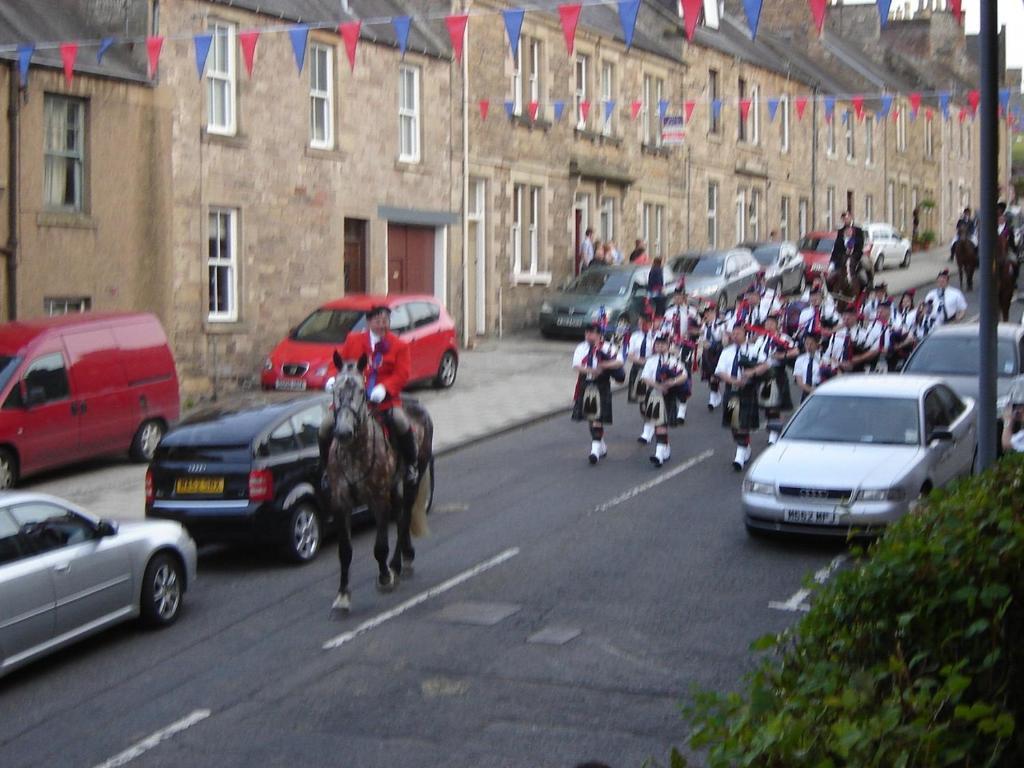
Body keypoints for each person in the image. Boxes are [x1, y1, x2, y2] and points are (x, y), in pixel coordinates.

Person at [318, 304, 419, 482]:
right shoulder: (353, 340)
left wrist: (385, 388)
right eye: (378, 321)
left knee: (401, 421)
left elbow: (402, 373)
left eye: (386, 321)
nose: (383, 325)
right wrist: (334, 379)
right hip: (352, 401)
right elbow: (338, 363)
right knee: (325, 426)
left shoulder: (399, 346)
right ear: (369, 321)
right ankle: (325, 468)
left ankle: (411, 464)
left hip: (383, 401)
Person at [715, 324, 770, 471]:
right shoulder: (726, 352)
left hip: (748, 390)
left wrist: (752, 372)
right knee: (734, 424)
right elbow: (720, 371)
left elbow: (765, 364)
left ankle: (739, 456)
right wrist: (733, 381)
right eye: (733, 333)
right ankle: (745, 446)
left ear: (745, 334)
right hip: (732, 389)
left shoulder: (753, 349)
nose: (735, 336)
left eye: (738, 333)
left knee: (743, 423)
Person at [571, 322, 624, 464]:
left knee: (597, 419)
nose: (588, 335)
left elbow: (619, 362)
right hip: (586, 384)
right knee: (590, 417)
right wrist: (592, 371)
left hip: (601, 384)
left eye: (592, 332)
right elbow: (576, 366)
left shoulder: (608, 347)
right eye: (587, 332)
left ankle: (594, 451)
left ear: (599, 335)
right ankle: (600, 445)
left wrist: (604, 365)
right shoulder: (581, 348)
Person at [641, 334, 689, 467]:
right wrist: (659, 386)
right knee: (658, 424)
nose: (660, 347)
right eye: (657, 345)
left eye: (662, 344)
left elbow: (684, 376)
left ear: (668, 346)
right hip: (654, 395)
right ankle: (663, 449)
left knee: (662, 425)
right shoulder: (651, 361)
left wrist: (671, 382)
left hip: (669, 395)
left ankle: (659, 453)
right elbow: (645, 377)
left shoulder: (674, 361)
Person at [752, 312, 798, 444]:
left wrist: (780, 356)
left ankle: (774, 434)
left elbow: (795, 351)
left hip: (776, 373)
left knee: (775, 407)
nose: (768, 325)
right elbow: (756, 353)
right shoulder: (761, 339)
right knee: (767, 406)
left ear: (777, 325)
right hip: (762, 373)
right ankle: (774, 429)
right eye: (767, 323)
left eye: (772, 323)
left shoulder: (783, 338)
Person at [626, 313, 657, 443]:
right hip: (638, 369)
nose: (640, 325)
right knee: (642, 401)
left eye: (643, 322)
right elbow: (630, 355)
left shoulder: (657, 336)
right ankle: (649, 425)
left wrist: (649, 362)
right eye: (639, 322)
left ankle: (648, 430)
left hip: (652, 371)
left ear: (650, 323)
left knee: (650, 399)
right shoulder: (635, 336)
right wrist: (640, 360)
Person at [698, 304, 725, 411]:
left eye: (709, 312)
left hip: (718, 352)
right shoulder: (705, 325)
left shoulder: (721, 324)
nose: (707, 314)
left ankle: (714, 397)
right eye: (706, 312)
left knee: (716, 374)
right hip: (707, 352)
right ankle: (715, 394)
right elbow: (702, 337)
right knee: (710, 375)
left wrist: (714, 345)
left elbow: (723, 339)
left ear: (714, 312)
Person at [830, 210, 868, 287]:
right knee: (830, 278)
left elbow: (860, 245)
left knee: (864, 273)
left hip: (856, 258)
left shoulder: (858, 230)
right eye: (843, 219)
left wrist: (854, 256)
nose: (845, 220)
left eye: (846, 218)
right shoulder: (840, 232)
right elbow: (836, 248)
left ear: (850, 217)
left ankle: (868, 287)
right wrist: (832, 262)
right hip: (842, 260)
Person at [793, 331, 825, 402]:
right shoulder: (800, 360)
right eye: (807, 344)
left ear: (817, 344)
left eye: (811, 344)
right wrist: (811, 390)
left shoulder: (824, 358)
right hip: (806, 392)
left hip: (821, 391)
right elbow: (799, 381)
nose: (809, 346)